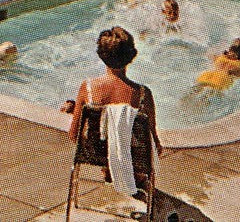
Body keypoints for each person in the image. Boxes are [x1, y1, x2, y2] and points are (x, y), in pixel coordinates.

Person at [62, 26, 164, 196]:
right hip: (133, 157)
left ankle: (109, 166)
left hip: (94, 152)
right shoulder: (143, 94)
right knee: (130, 140)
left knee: (103, 133)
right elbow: (153, 143)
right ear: (131, 56)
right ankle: (129, 172)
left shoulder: (88, 87)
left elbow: (74, 135)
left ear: (101, 55)